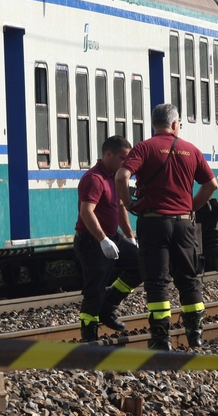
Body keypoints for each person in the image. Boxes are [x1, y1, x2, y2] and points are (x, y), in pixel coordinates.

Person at [115, 104, 217, 350]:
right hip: (183, 224)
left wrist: (128, 203)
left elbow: (121, 176)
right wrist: (190, 207)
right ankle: (196, 336)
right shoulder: (191, 150)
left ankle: (161, 340)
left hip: (153, 223)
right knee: (189, 280)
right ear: (174, 124)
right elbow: (211, 184)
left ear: (154, 124)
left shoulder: (144, 148)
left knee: (158, 282)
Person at [74, 135, 143, 342]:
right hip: (91, 240)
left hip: (113, 237)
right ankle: (89, 337)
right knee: (94, 290)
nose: (127, 163)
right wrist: (103, 239)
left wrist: (130, 238)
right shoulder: (94, 179)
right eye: (123, 158)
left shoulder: (115, 177)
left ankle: (108, 307)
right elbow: (87, 211)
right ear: (108, 154)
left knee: (141, 264)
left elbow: (121, 206)